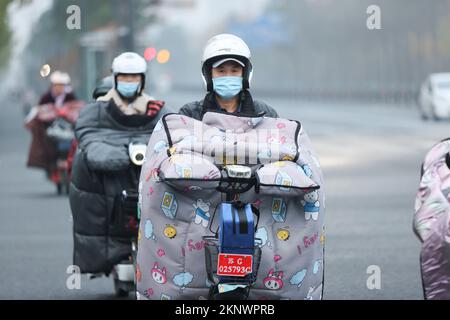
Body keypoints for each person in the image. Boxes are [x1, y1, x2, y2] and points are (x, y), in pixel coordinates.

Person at [69, 52, 169, 280]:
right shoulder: (94, 111)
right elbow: (92, 146)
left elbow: (171, 140)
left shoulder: (158, 110)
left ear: (142, 80)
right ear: (115, 79)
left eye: (134, 77)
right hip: (111, 183)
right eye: (124, 77)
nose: (129, 82)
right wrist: (131, 154)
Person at [179, 33, 278, 120]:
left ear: (245, 74)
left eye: (234, 71)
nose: (228, 76)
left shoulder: (264, 114)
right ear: (209, 75)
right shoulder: (190, 115)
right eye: (221, 71)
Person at [25, 71, 80, 180]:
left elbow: (76, 109)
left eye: (61, 85)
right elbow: (39, 110)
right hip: (50, 132)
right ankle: (51, 170)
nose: (58, 88)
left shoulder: (70, 96)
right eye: (56, 85)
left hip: (68, 131)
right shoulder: (46, 97)